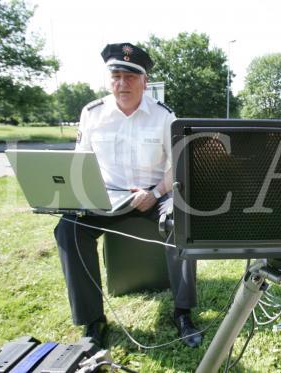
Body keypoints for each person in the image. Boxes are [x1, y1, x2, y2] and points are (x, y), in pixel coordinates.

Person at [54, 42, 202, 348]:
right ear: (109, 79)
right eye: (116, 76)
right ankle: (93, 321)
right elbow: (81, 163)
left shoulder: (163, 116)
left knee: (181, 221)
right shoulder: (92, 113)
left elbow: (178, 165)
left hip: (154, 195)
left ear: (145, 81)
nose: (122, 83)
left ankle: (183, 312)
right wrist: (86, 195)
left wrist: (156, 192)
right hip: (105, 198)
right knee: (68, 229)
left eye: (130, 76)